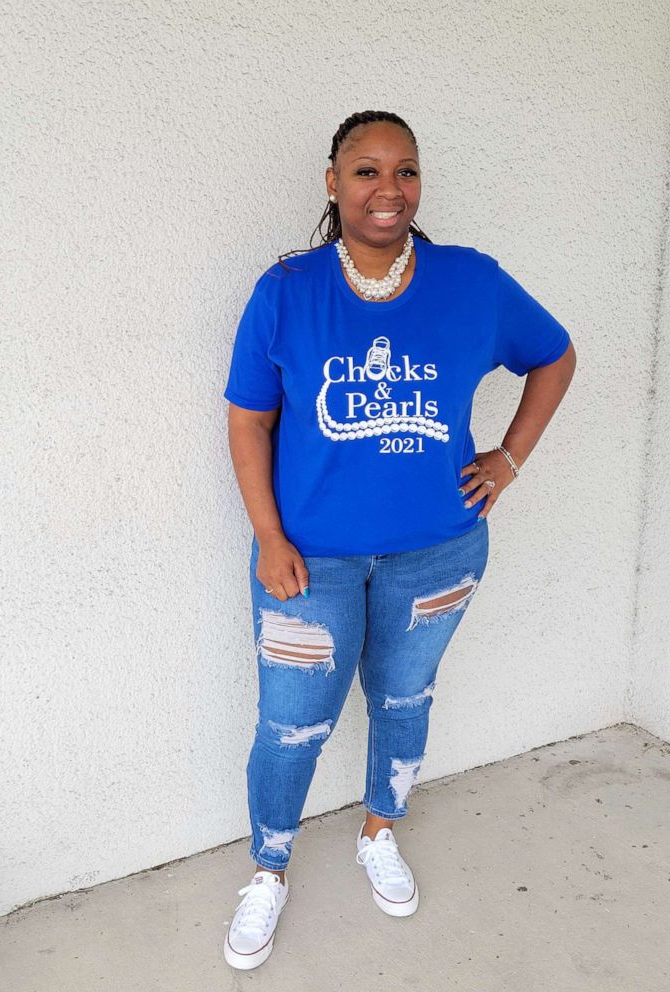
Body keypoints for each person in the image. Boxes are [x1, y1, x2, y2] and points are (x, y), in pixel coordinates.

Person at [221, 110, 576, 970]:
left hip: (438, 553)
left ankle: (380, 832)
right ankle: (268, 871)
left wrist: (508, 459)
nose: (390, 190)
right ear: (334, 183)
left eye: (406, 172)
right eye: (368, 171)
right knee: (290, 725)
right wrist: (268, 535)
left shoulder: (471, 282)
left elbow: (554, 355)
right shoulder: (288, 288)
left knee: (403, 700)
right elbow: (247, 420)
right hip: (309, 562)